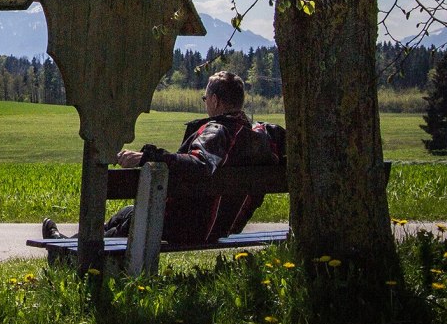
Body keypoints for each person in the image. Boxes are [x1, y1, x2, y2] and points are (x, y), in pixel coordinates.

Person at [42, 70, 284, 244]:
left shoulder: (218, 131)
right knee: (127, 213)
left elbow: (199, 166)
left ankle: (69, 252)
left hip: (192, 226)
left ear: (215, 100)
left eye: (205, 99)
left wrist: (147, 157)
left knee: (136, 218)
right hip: (227, 224)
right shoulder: (261, 136)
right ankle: (67, 244)